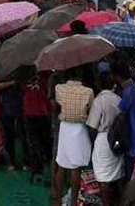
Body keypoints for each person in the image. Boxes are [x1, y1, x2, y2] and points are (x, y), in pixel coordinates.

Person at [53, 67, 94, 206]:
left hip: (64, 127)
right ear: (80, 76)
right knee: (76, 167)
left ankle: (58, 198)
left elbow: (58, 105)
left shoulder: (59, 88)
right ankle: (74, 200)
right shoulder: (88, 91)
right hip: (79, 129)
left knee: (62, 164)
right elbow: (90, 109)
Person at [86, 71, 123, 206]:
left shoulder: (99, 101)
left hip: (103, 140)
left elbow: (92, 125)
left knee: (103, 178)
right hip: (117, 139)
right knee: (118, 175)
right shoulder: (118, 99)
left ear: (98, 84)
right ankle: (121, 202)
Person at [21, 69, 51, 180]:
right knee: (45, 141)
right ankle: (48, 166)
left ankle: (36, 169)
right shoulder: (46, 73)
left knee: (33, 142)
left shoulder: (23, 74)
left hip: (30, 111)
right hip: (42, 111)